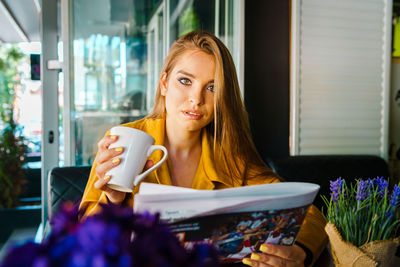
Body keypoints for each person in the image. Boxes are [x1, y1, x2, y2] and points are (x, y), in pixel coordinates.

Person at [79, 30, 327, 266]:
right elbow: (82, 242)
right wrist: (113, 199)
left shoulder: (229, 155)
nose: (196, 99)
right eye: (185, 81)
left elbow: (310, 214)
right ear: (164, 83)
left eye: (212, 87)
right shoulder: (125, 140)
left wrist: (301, 252)